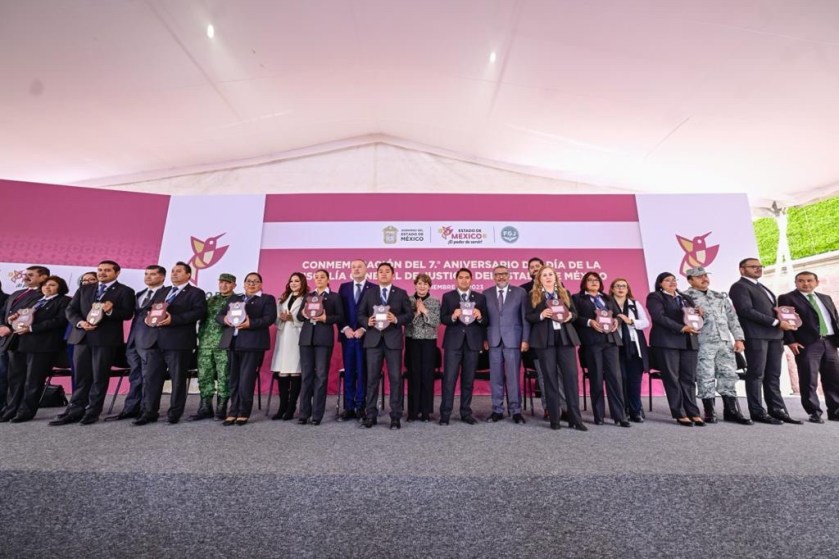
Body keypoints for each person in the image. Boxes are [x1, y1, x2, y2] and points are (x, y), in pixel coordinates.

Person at [51, 260, 134, 426]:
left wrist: (110, 310)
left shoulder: (125, 291)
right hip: (81, 337)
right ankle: (75, 410)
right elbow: (70, 310)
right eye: (100, 269)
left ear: (117, 273)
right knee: (81, 376)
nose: (102, 273)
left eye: (107, 270)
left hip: (105, 340)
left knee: (99, 377)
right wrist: (80, 322)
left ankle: (93, 411)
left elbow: (127, 314)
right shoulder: (84, 289)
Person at [729, 258, 801, 424]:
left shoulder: (761, 286)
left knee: (773, 375)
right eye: (753, 266)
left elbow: (769, 310)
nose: (758, 269)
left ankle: (777, 410)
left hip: (775, 336)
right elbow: (746, 310)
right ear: (742, 269)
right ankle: (757, 411)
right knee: (756, 375)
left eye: (760, 266)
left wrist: (785, 316)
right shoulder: (739, 287)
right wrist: (776, 322)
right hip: (756, 336)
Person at [133, 262, 207, 426]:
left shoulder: (196, 292)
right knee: (152, 379)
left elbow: (199, 313)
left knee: (178, 380)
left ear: (188, 275)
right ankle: (149, 413)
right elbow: (148, 309)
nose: (174, 273)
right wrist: (147, 318)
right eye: (173, 271)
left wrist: (174, 319)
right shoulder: (163, 291)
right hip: (154, 341)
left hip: (178, 343)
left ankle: (174, 413)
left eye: (178, 271)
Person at [684, 267, 752, 425]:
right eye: (699, 277)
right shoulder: (685, 297)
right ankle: (709, 411)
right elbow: (682, 320)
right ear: (690, 280)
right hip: (703, 343)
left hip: (724, 342)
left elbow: (732, 318)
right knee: (705, 376)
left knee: (728, 374)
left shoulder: (719, 296)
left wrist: (739, 339)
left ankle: (731, 411)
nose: (704, 279)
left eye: (705, 276)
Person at [1, 276, 70, 422]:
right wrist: (13, 319)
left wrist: (32, 328)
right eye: (45, 285)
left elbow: (59, 321)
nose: (47, 287)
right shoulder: (36, 300)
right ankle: (10, 410)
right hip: (19, 343)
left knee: (33, 381)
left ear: (60, 288)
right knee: (15, 379)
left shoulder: (64, 301)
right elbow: (22, 315)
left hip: (42, 346)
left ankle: (25, 412)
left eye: (52, 285)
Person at [527, 266, 587, 431]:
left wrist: (570, 316)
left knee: (571, 378)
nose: (548, 277)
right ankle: (555, 418)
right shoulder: (532, 295)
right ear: (539, 279)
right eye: (544, 275)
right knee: (549, 378)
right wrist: (541, 315)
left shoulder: (564, 293)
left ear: (555, 277)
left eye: (550, 274)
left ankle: (575, 419)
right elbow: (528, 316)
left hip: (565, 338)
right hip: (544, 341)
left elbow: (574, 314)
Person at [106, 265, 167, 421]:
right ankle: (131, 409)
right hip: (133, 340)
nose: (148, 277)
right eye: (146, 274)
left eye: (153, 274)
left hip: (152, 341)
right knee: (135, 376)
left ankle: (149, 411)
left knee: (150, 378)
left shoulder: (167, 293)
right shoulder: (139, 294)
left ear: (162, 277)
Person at [778, 271, 839, 423]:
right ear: (796, 283)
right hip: (807, 344)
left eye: (809, 280)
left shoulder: (825, 298)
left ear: (817, 282)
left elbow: (835, 318)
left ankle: (835, 411)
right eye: (801, 281)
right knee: (808, 379)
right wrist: (791, 341)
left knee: (833, 378)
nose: (805, 283)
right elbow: (786, 321)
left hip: (830, 342)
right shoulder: (787, 298)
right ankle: (814, 412)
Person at [218, 272, 277, 426]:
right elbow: (219, 315)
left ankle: (243, 412)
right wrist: (225, 319)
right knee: (233, 379)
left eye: (255, 281)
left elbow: (269, 319)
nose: (251, 284)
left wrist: (251, 323)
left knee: (246, 380)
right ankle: (233, 411)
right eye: (249, 281)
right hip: (233, 342)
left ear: (261, 284)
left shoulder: (267, 299)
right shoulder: (235, 299)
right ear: (244, 284)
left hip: (252, 344)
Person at [358, 262, 412, 429]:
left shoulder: (401, 293)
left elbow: (409, 315)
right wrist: (366, 321)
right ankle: (370, 415)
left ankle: (395, 416)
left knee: (395, 379)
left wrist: (396, 319)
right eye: (380, 271)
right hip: (373, 341)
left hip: (393, 341)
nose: (383, 274)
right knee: (372, 379)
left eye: (387, 271)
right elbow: (360, 314)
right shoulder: (369, 293)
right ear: (376, 275)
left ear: (393, 275)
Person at [573, 272, 630, 427]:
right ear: (584, 283)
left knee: (615, 379)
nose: (594, 282)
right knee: (596, 378)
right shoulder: (577, 298)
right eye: (590, 280)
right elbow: (574, 317)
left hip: (611, 341)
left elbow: (618, 315)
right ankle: (599, 416)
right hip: (592, 342)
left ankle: (620, 416)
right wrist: (589, 322)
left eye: (596, 280)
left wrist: (617, 321)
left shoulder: (607, 298)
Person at [646, 272, 703, 427]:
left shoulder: (685, 298)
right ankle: (679, 413)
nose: (672, 282)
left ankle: (693, 412)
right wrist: (681, 328)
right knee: (672, 378)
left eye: (674, 280)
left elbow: (693, 319)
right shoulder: (655, 297)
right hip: (667, 342)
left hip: (689, 342)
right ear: (660, 283)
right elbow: (659, 317)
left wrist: (700, 316)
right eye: (667, 280)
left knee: (689, 378)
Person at [439, 268, 488, 425]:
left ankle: (466, 413)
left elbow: (486, 321)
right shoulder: (448, 296)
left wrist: (480, 317)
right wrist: (453, 316)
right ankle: (445, 414)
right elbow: (443, 319)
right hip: (453, 343)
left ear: (471, 280)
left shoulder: (480, 298)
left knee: (468, 380)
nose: (464, 280)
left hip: (472, 343)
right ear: (456, 279)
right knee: (449, 379)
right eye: (461, 277)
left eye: (467, 277)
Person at [483, 265, 529, 423]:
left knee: (513, 377)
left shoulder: (520, 292)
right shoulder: (486, 293)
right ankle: (497, 410)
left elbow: (525, 317)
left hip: (514, 340)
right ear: (493, 277)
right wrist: (484, 338)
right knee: (495, 377)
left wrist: (525, 339)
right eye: (497, 274)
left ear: (509, 275)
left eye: (504, 274)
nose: (501, 277)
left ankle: (516, 411)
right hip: (494, 340)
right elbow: (484, 319)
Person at [296, 269, 342, 426]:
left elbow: (340, 317)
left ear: (328, 279)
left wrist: (326, 318)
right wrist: (303, 313)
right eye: (316, 277)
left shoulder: (334, 297)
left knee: (321, 376)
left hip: (323, 339)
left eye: (322, 277)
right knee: (306, 376)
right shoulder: (308, 296)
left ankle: (317, 415)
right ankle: (304, 413)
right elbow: (299, 316)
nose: (319, 279)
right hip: (306, 339)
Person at [190, 273, 236, 421]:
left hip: (224, 344)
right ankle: (205, 408)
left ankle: (221, 408)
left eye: (227, 283)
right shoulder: (210, 300)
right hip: (205, 343)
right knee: (204, 375)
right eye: (221, 282)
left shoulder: (237, 301)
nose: (224, 285)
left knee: (223, 375)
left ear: (234, 285)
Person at [337, 259, 375, 421]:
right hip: (348, 337)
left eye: (360, 267)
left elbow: (375, 313)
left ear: (366, 269)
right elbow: (339, 311)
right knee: (349, 372)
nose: (356, 269)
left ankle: (361, 406)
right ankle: (348, 407)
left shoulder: (373, 288)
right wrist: (345, 328)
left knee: (363, 372)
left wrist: (363, 328)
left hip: (366, 337)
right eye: (353, 267)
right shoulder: (344, 287)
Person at [609, 278, 650, 423]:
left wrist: (630, 321)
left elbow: (645, 322)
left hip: (634, 345)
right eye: (617, 286)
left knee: (634, 380)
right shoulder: (607, 304)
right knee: (620, 380)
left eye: (624, 286)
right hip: (615, 345)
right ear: (612, 289)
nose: (621, 288)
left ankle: (635, 410)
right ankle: (622, 410)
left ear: (627, 289)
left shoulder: (634, 304)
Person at [270, 272, 306, 420]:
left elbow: (308, 319)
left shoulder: (307, 299)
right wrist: (281, 318)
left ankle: (291, 407)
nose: (293, 283)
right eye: (291, 281)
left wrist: (293, 318)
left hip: (297, 338)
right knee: (283, 373)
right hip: (283, 337)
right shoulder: (283, 298)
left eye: (297, 281)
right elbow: (276, 320)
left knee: (295, 372)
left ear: (302, 282)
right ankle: (282, 407)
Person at [405, 273, 440, 422]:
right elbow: (404, 322)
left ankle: (426, 412)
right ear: (415, 285)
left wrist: (425, 311)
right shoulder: (408, 300)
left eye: (425, 284)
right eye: (419, 283)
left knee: (427, 376)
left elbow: (436, 322)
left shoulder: (435, 301)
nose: (422, 286)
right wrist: (416, 313)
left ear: (429, 286)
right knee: (413, 375)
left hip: (429, 341)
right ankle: (412, 412)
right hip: (412, 340)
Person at [66, 271, 98, 391]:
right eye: (84, 280)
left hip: (96, 337)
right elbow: (71, 311)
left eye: (91, 280)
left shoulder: (101, 295)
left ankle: (89, 398)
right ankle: (76, 397)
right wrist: (80, 322)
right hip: (75, 336)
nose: (87, 282)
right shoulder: (79, 294)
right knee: (77, 371)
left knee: (94, 372)